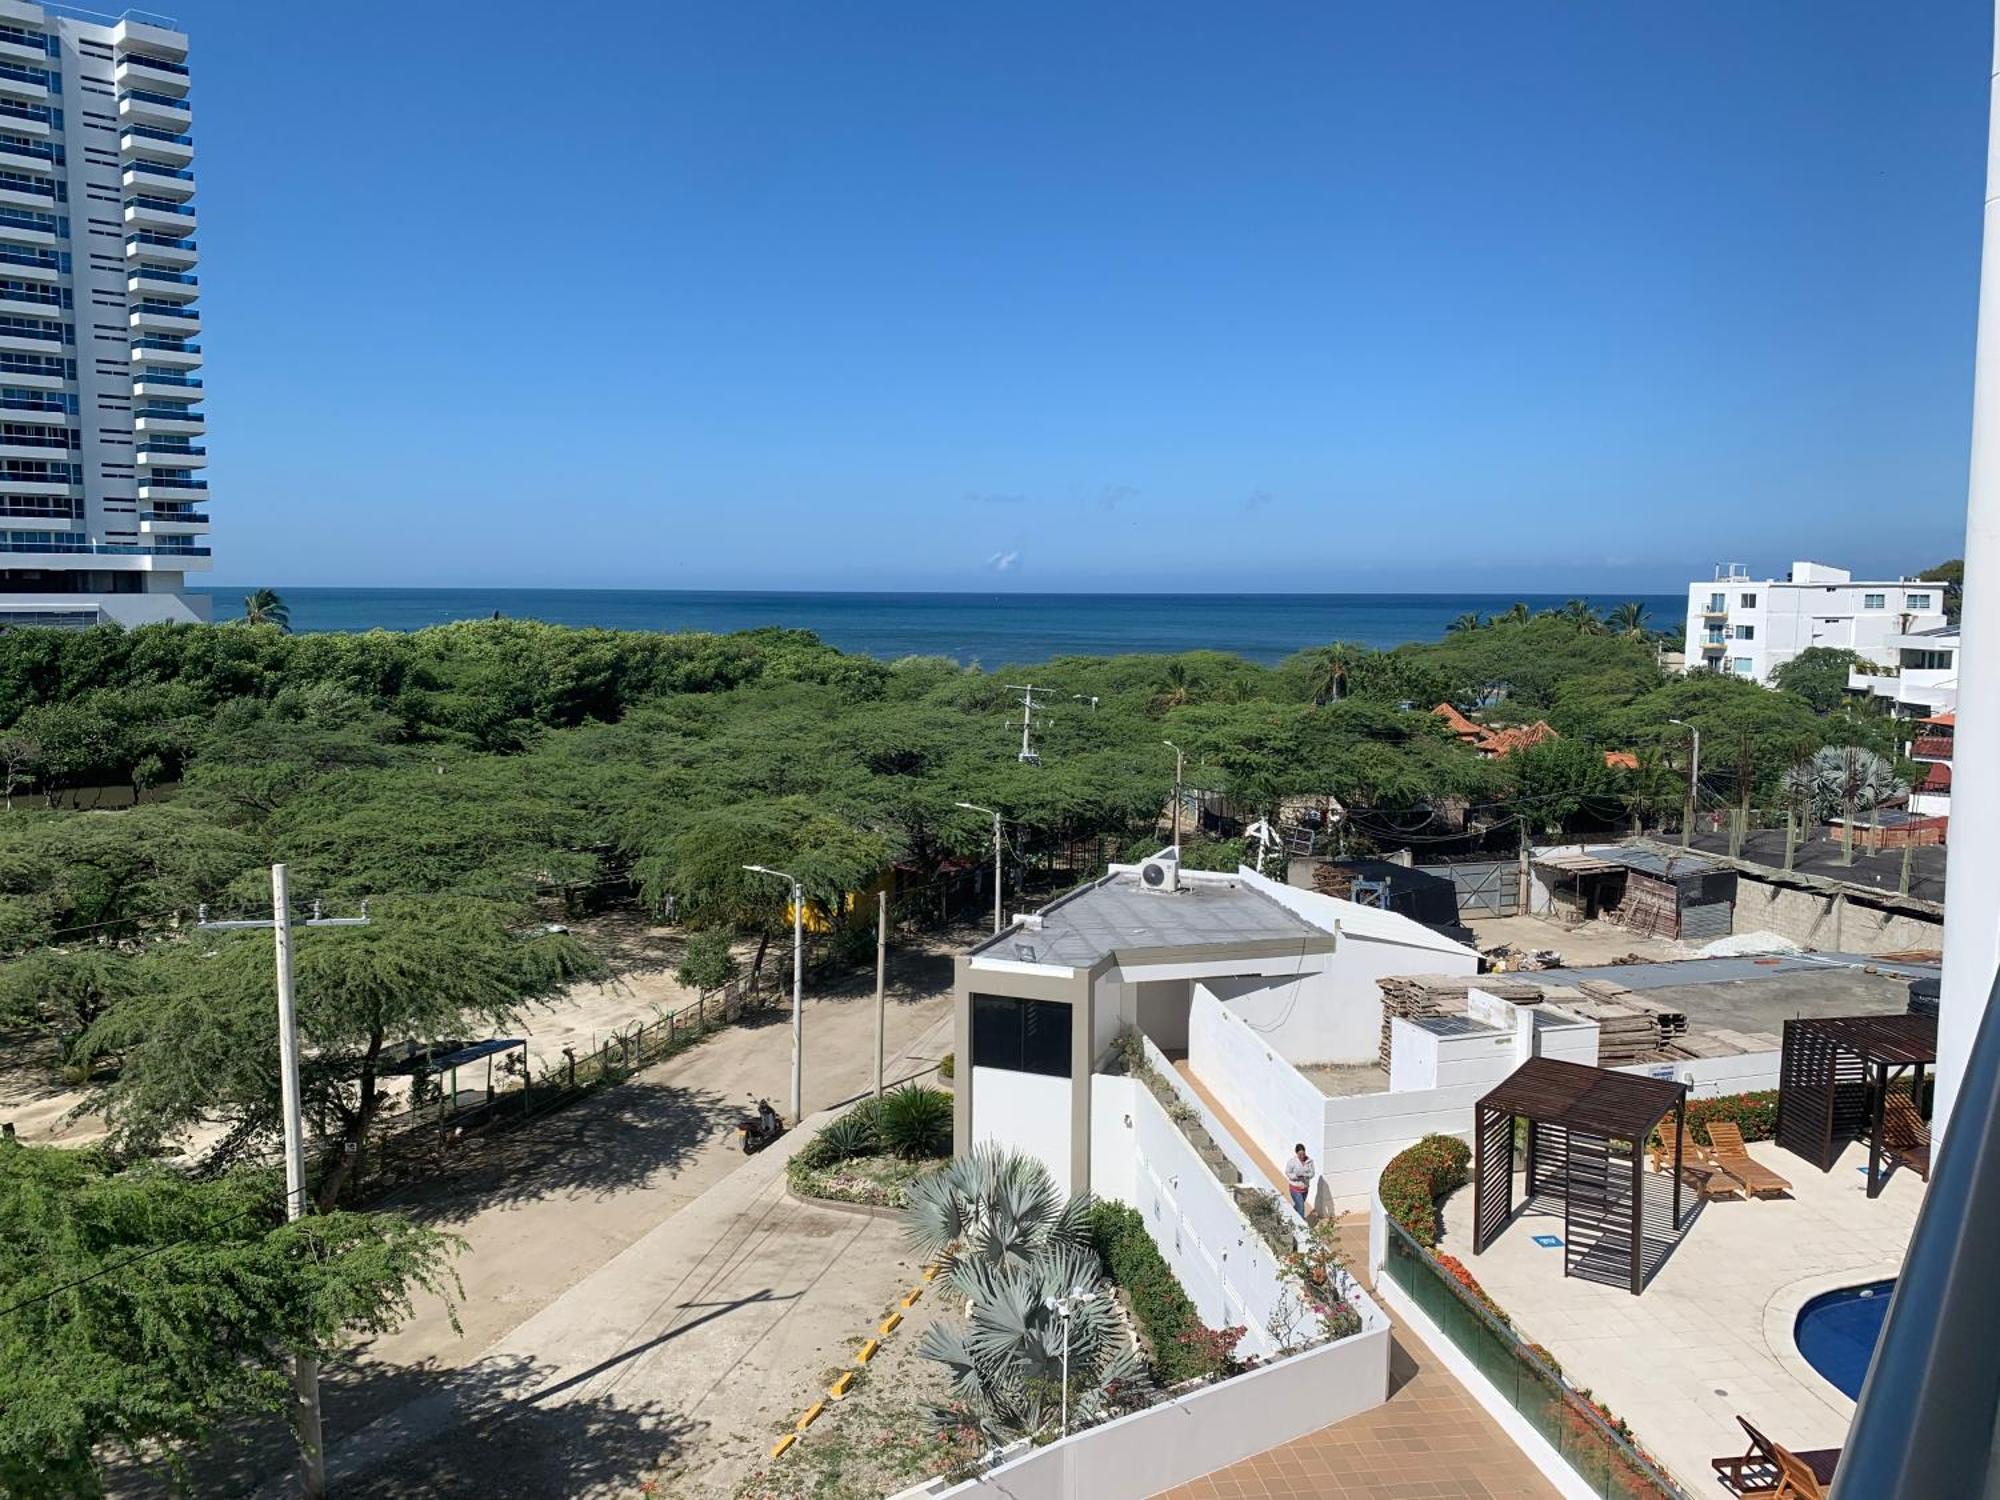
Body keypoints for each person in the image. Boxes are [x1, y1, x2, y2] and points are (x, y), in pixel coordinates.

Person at [1285, 1142, 1316, 1218]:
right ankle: (1301, 1226)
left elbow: (1312, 1173)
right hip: (1295, 1188)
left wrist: (1305, 1176)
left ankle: (1291, 1215)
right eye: (1300, 1155)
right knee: (1301, 1207)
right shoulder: (1292, 1162)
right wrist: (1296, 1176)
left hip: (1305, 1189)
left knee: (1299, 1206)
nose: (1302, 1156)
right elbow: (1287, 1172)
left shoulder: (1310, 1161)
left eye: (1303, 1154)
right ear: (1296, 1153)